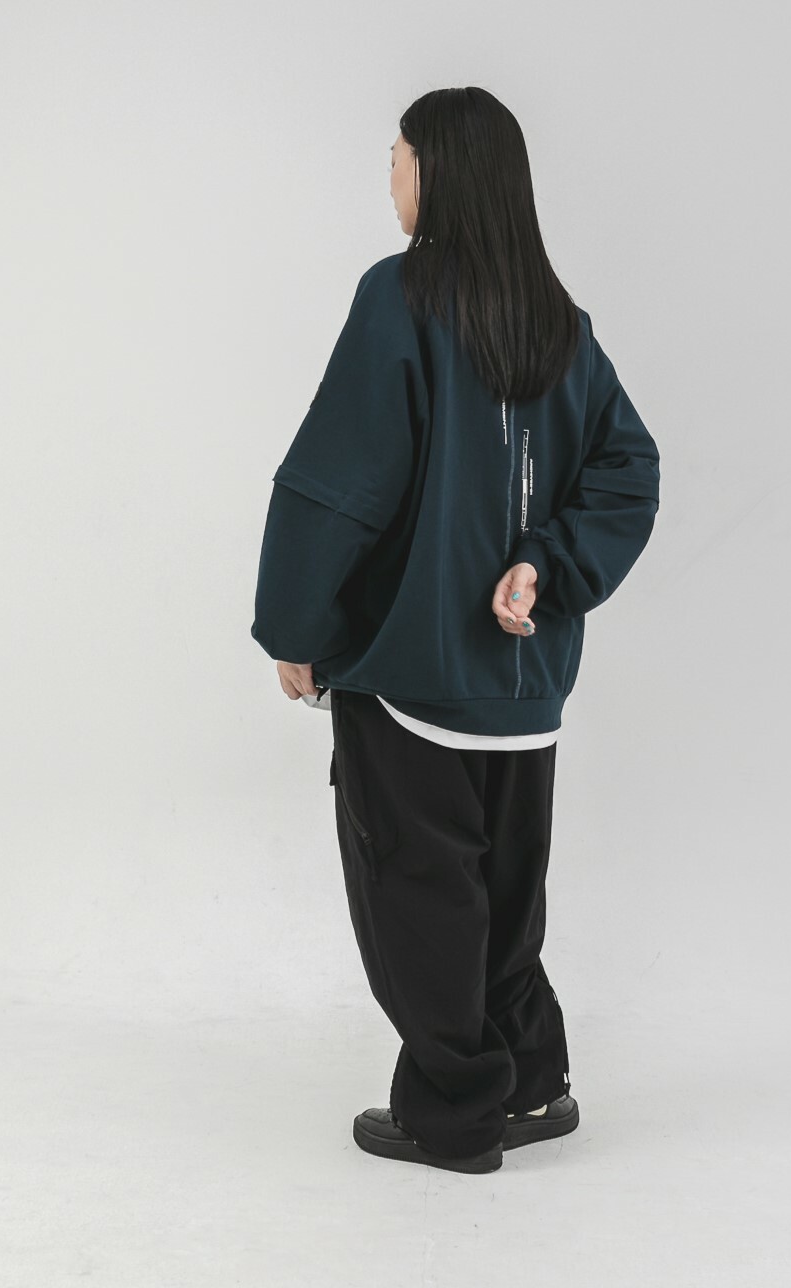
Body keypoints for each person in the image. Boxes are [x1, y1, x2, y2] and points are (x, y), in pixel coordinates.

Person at [251, 86, 661, 1175]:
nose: (388, 176)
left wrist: (295, 626)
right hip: (525, 689)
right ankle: (531, 1083)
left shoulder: (400, 298)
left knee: (418, 901)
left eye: (398, 156)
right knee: (506, 900)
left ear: (439, 173)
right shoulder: (556, 321)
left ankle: (455, 1112)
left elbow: (338, 482)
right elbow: (627, 468)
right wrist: (545, 564)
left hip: (414, 675)